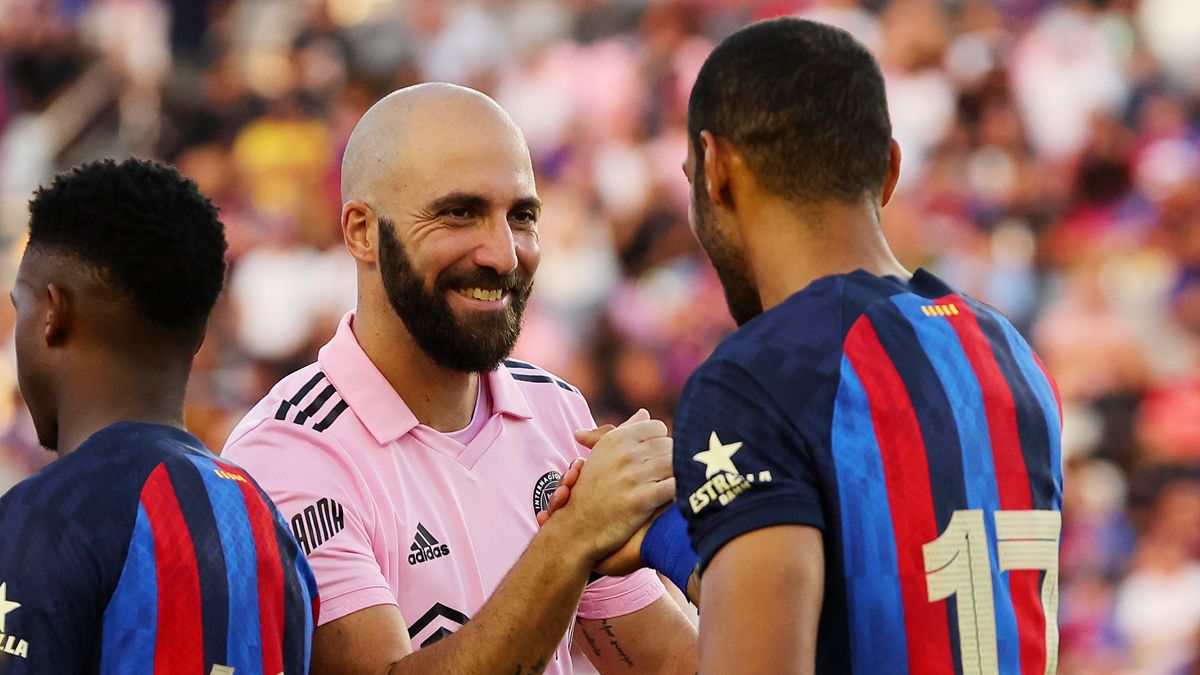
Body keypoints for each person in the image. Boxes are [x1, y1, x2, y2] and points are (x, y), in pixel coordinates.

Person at [221, 83, 698, 675]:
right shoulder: (288, 452)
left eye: (522, 216)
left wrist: (698, 541)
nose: (503, 253)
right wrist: (572, 540)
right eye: (458, 213)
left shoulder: (555, 412)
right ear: (362, 232)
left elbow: (673, 665)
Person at [671, 18, 1064, 675]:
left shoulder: (754, 376)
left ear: (715, 167)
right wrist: (669, 534)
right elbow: (889, 584)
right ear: (890, 169)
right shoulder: (1008, 352)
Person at [0, 158, 318, 674]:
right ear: (198, 337)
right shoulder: (270, 528)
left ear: (54, 314)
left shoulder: (45, 519)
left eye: (22, 306)